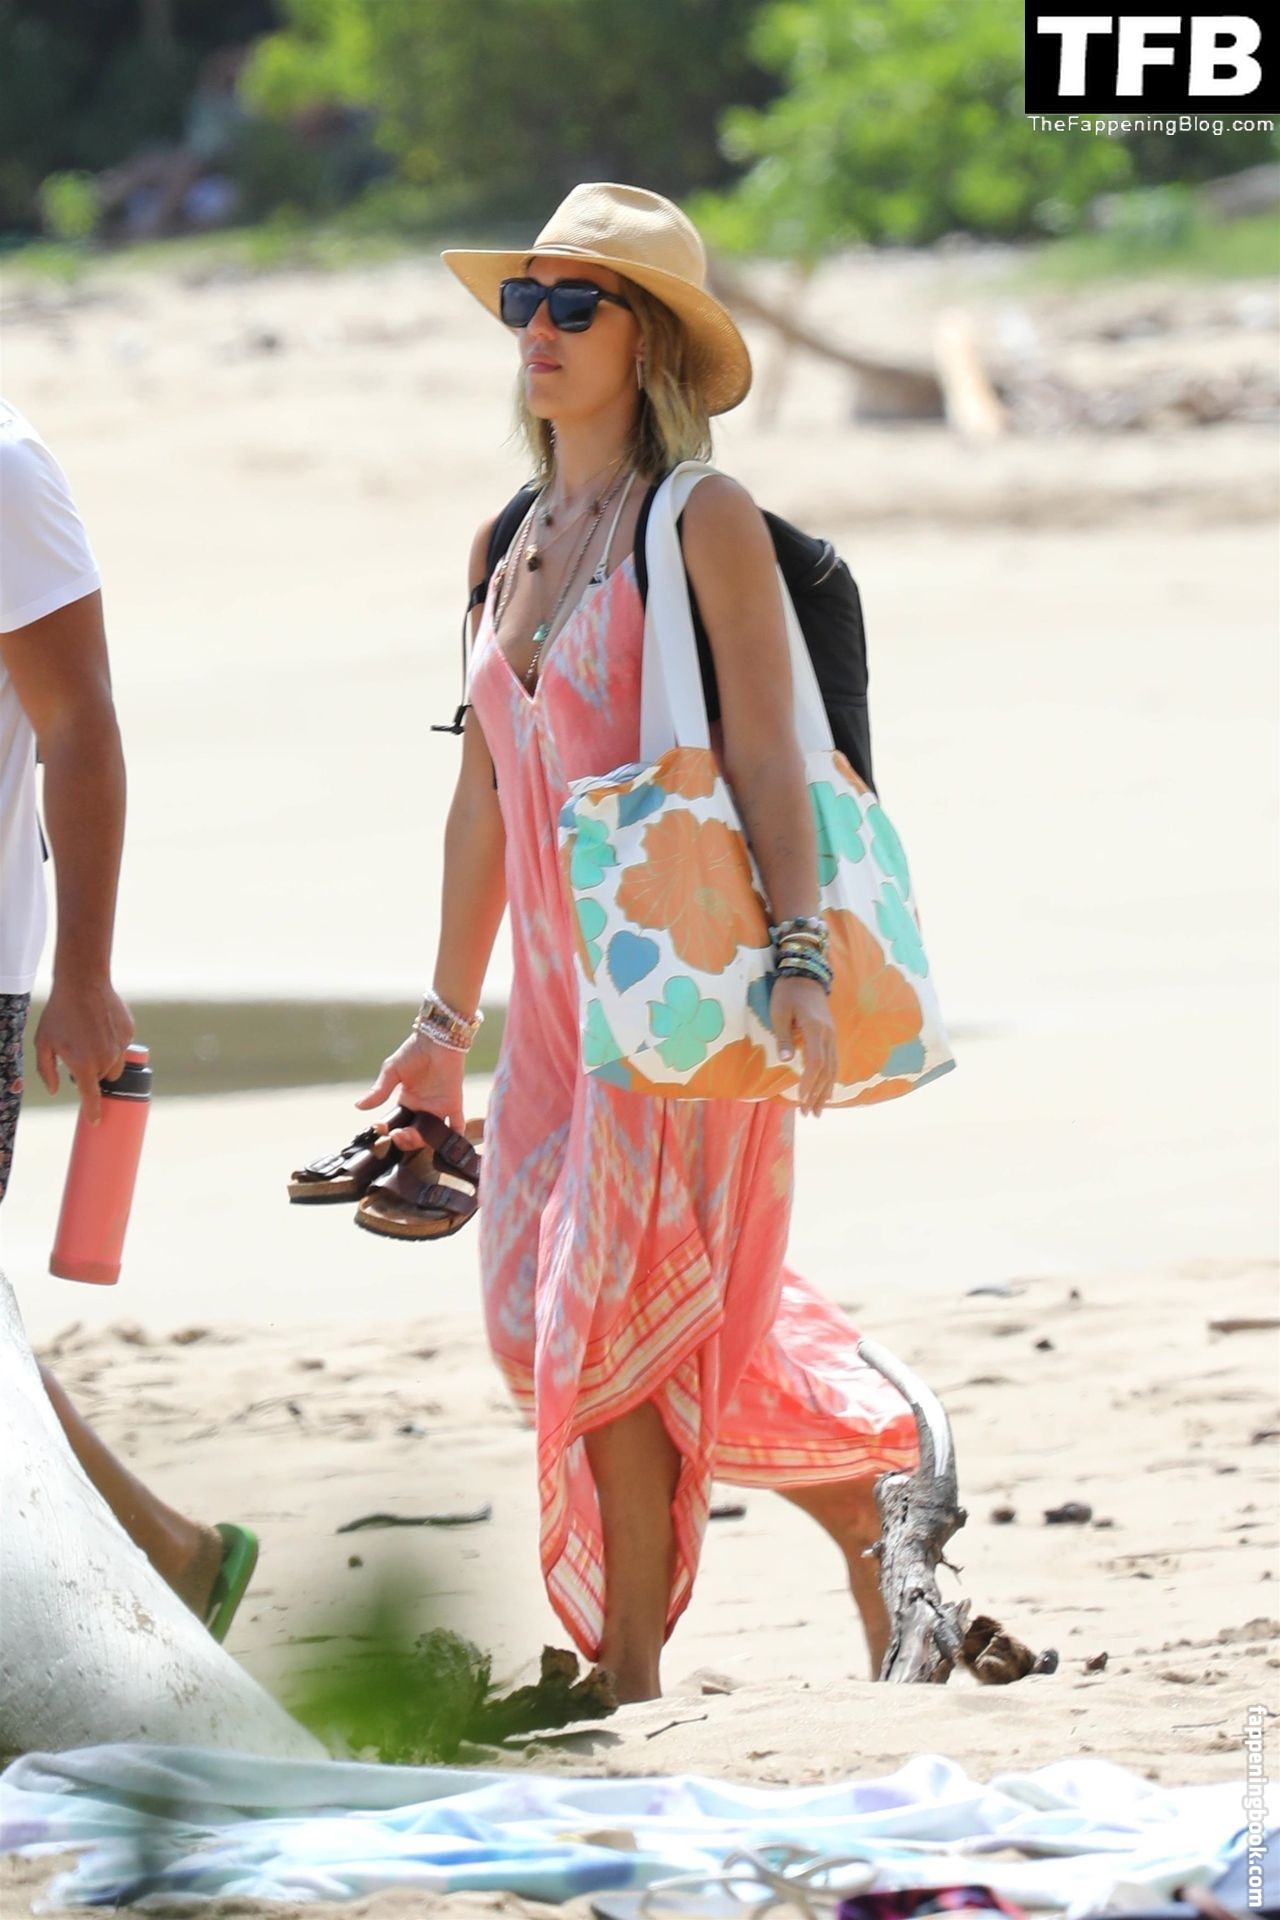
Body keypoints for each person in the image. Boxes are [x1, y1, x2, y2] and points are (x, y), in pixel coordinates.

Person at [357, 184, 920, 1703]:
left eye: (574, 304)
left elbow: (768, 753)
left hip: (679, 985)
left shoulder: (701, 519)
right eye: (522, 301)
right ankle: (874, 1502)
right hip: (554, 1006)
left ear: (650, 339)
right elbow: (482, 796)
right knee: (535, 1321)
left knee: (602, 1317)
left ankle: (624, 1669)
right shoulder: (504, 539)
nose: (535, 331)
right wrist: (439, 1025)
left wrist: (799, 956)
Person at [0, 396, 255, 1638]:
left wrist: (87, 972)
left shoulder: (3, 468)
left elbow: (77, 722)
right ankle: (168, 1556)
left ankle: (168, 1558)